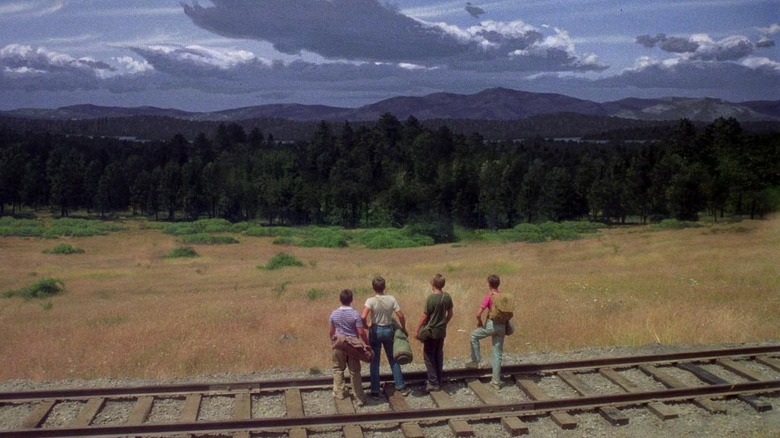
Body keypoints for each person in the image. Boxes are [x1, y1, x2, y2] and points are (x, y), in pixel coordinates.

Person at [361, 276, 411, 397]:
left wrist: (367, 326)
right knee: (393, 359)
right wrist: (403, 328)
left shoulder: (370, 301)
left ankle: (374, 391)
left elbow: (363, 316)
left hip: (375, 330)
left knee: (374, 361)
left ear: (373, 287)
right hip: (389, 329)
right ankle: (401, 386)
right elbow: (401, 315)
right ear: (385, 287)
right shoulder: (391, 299)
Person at [466, 274, 507, 389]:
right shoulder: (503, 296)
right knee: (497, 354)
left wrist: (479, 322)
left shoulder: (489, 296)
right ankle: (496, 382)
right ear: (498, 284)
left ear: (489, 284)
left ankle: (475, 361)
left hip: (491, 325)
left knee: (474, 335)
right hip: (502, 327)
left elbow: (478, 313)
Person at [414, 273, 454, 392]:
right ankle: (438, 379)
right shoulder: (447, 297)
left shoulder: (431, 299)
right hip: (441, 331)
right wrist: (444, 323)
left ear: (433, 284)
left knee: (428, 356)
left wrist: (417, 329)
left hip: (431, 332)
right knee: (438, 355)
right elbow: (450, 313)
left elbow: (424, 316)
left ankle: (433, 382)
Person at [329, 289, 368, 406]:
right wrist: (366, 344)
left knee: (337, 368)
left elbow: (331, 332)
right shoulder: (355, 314)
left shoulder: (334, 313)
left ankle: (340, 392)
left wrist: (333, 342)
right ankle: (359, 397)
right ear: (351, 300)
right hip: (352, 345)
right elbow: (361, 332)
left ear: (340, 300)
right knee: (355, 371)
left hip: (339, 344)